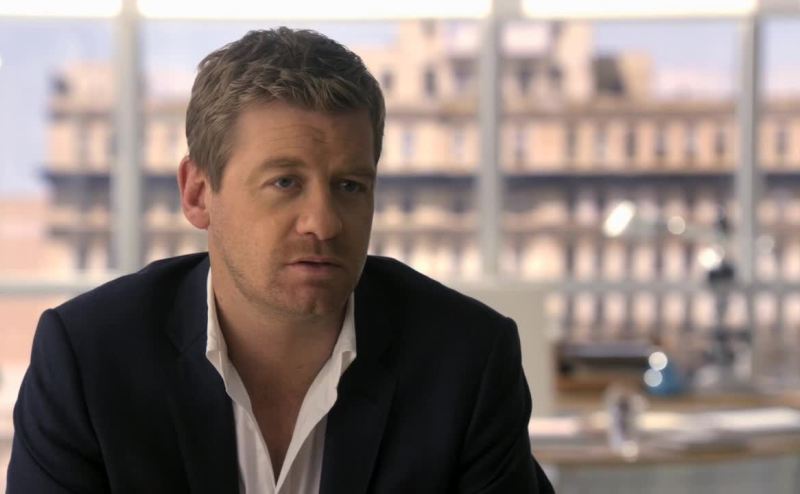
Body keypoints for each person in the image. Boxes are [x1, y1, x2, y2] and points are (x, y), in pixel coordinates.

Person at [7, 27, 554, 493]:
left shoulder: (466, 359)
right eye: (285, 182)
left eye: (350, 186)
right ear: (198, 193)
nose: (324, 222)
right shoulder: (90, 358)